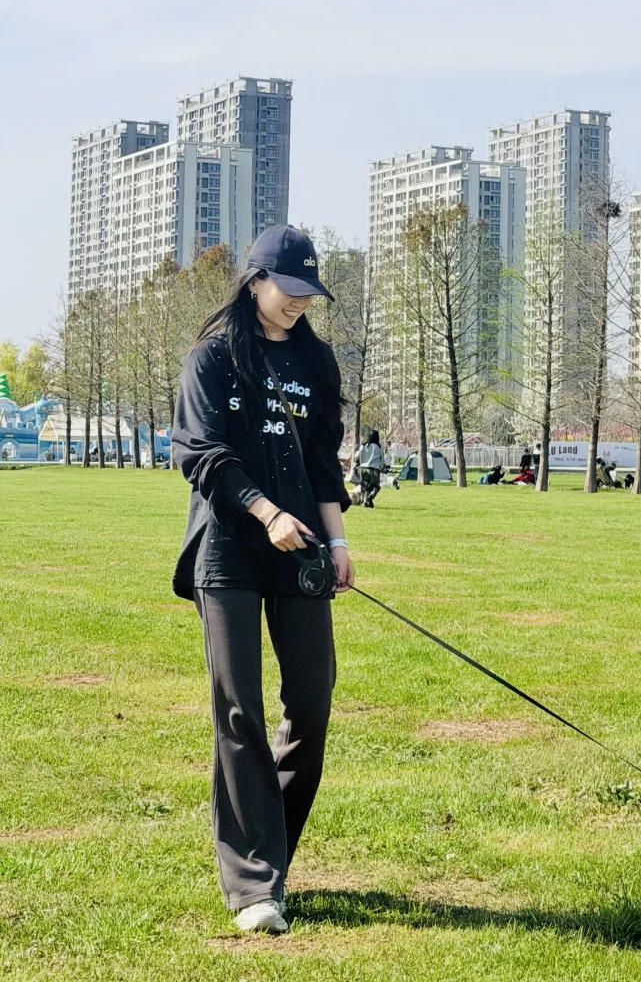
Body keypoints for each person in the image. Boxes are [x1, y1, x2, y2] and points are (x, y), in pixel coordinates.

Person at [171, 225, 353, 936]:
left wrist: (336, 541)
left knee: (312, 700)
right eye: (290, 289)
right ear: (255, 281)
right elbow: (200, 452)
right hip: (229, 552)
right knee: (239, 709)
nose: (299, 304)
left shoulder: (316, 361)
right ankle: (254, 886)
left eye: (310, 293)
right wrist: (264, 510)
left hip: (300, 549)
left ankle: (266, 849)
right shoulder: (213, 357)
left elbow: (324, 462)